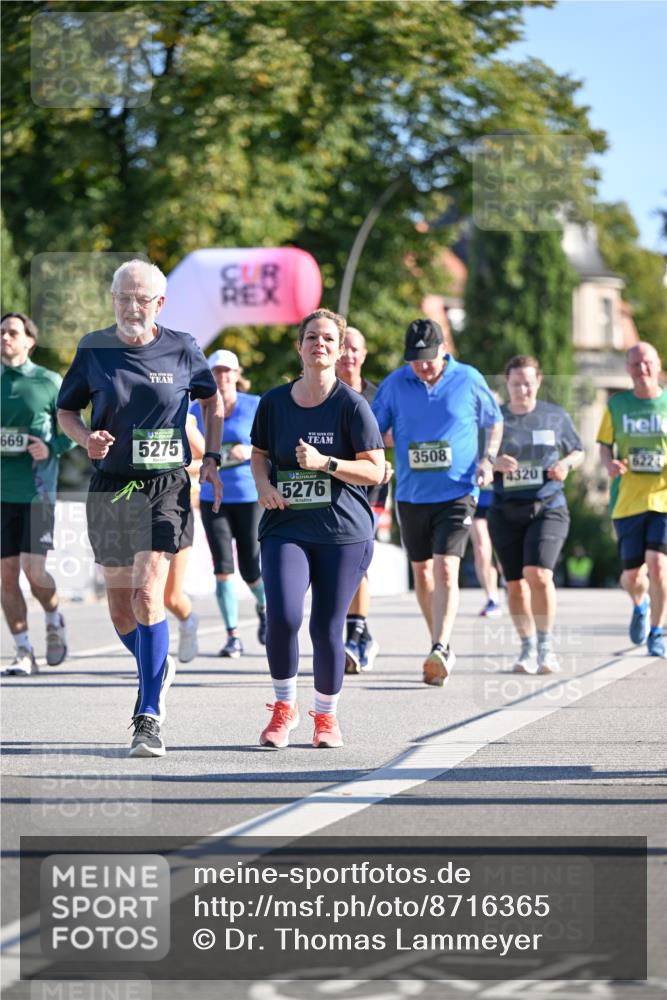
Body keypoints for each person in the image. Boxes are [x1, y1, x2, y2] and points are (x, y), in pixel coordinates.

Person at [56, 259, 223, 757]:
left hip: (165, 486)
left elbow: (212, 401)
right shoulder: (93, 349)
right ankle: (157, 661)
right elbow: (66, 410)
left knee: (149, 595)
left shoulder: (183, 348)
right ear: (113, 300)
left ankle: (147, 715)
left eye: (142, 299)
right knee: (121, 608)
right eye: (124, 298)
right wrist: (86, 438)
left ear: (160, 304)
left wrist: (212, 457)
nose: (132, 307)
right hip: (111, 487)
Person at [250, 308, 384, 749]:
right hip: (286, 524)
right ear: (300, 346)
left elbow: (376, 469)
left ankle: (326, 718)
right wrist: (264, 485)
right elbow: (259, 454)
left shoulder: (352, 405)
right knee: (283, 616)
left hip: (342, 532)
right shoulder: (274, 402)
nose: (319, 344)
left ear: (340, 349)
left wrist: (326, 463)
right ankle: (283, 708)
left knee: (327, 626)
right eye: (312, 337)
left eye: (328, 339)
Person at [372, 318, 503, 686]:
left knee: (446, 567)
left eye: (428, 359)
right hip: (412, 494)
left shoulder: (469, 379)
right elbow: (374, 431)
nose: (422, 366)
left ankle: (440, 646)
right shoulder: (395, 383)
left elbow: (494, 422)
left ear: (444, 350)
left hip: (458, 491)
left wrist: (488, 459)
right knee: (423, 572)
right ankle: (439, 643)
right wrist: (379, 452)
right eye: (414, 360)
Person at [487, 355, 584, 674]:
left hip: (548, 506)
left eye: (528, 383)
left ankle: (546, 647)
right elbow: (478, 459)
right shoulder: (495, 420)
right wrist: (494, 462)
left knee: (538, 574)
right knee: (515, 584)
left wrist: (565, 464)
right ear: (507, 383)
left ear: (539, 381)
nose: (522, 389)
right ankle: (527, 647)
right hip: (505, 510)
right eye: (516, 383)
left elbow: (578, 451)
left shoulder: (554, 416)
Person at [1, 312, 74, 675]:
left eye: (12, 332)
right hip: (2, 495)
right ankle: (23, 650)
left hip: (37, 493)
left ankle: (53, 617)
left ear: (29, 340)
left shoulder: (48, 381)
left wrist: (51, 448)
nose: (5, 338)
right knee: (6, 577)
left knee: (34, 572)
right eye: (1, 332)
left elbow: (73, 429)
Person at [191, 349, 266, 657]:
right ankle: (233, 635)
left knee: (250, 567)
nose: (221, 377)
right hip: (213, 498)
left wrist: (249, 451)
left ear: (237, 374)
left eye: (227, 371)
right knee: (222, 567)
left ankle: (265, 607)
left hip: (249, 496)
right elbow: (188, 452)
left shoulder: (255, 405)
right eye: (216, 371)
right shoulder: (196, 409)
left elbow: (271, 445)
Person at [597, 341, 666, 658]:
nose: (642, 369)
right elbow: (604, 445)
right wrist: (609, 464)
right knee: (632, 577)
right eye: (636, 364)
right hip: (627, 501)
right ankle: (640, 605)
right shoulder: (617, 405)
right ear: (628, 369)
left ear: (658, 364)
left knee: (658, 566)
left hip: (662, 499)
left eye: (647, 362)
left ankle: (657, 632)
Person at [335, 326, 391, 673]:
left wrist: (387, 465)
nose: (349, 355)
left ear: (364, 354)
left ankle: (355, 636)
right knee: (342, 562)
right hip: (334, 487)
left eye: (355, 348)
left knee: (357, 559)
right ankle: (362, 634)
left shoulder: (379, 396)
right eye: (344, 348)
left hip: (370, 489)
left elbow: (394, 437)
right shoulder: (324, 392)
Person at [163, 413, 205, 663]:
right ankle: (151, 657)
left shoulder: (182, 419)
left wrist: (173, 465)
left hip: (177, 507)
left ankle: (188, 621)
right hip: (139, 507)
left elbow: (208, 460)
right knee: (143, 592)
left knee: (170, 596)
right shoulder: (128, 413)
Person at [470, 487, 502, 617]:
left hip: (503, 498)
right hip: (476, 499)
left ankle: (510, 584)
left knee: (503, 553)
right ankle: (492, 598)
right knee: (481, 549)